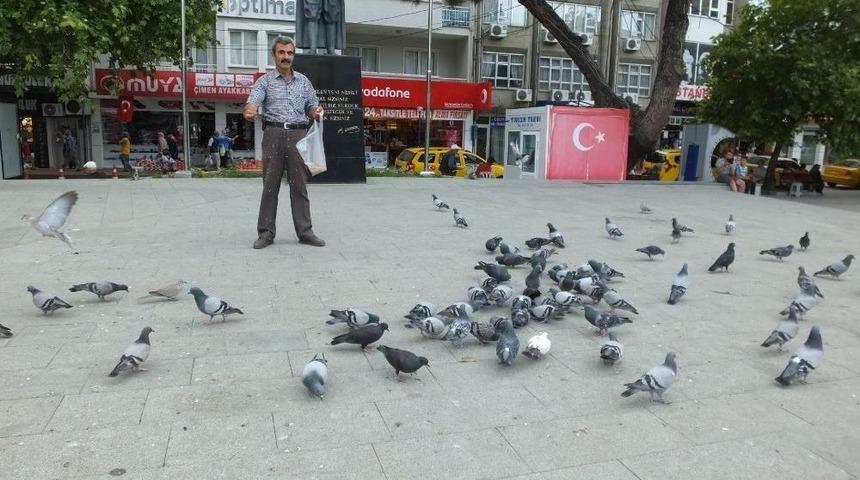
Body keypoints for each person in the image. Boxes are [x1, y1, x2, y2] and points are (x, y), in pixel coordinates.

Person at [243, 36, 325, 249]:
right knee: (270, 187)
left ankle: (305, 232)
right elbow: (253, 101)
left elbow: (311, 105)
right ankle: (266, 233)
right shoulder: (265, 82)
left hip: (298, 136)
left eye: (289, 53)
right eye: (282, 53)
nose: (286, 57)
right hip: (273, 135)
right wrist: (250, 110)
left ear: (293, 55)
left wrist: (315, 111)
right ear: (274, 55)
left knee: (300, 187)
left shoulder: (304, 81)